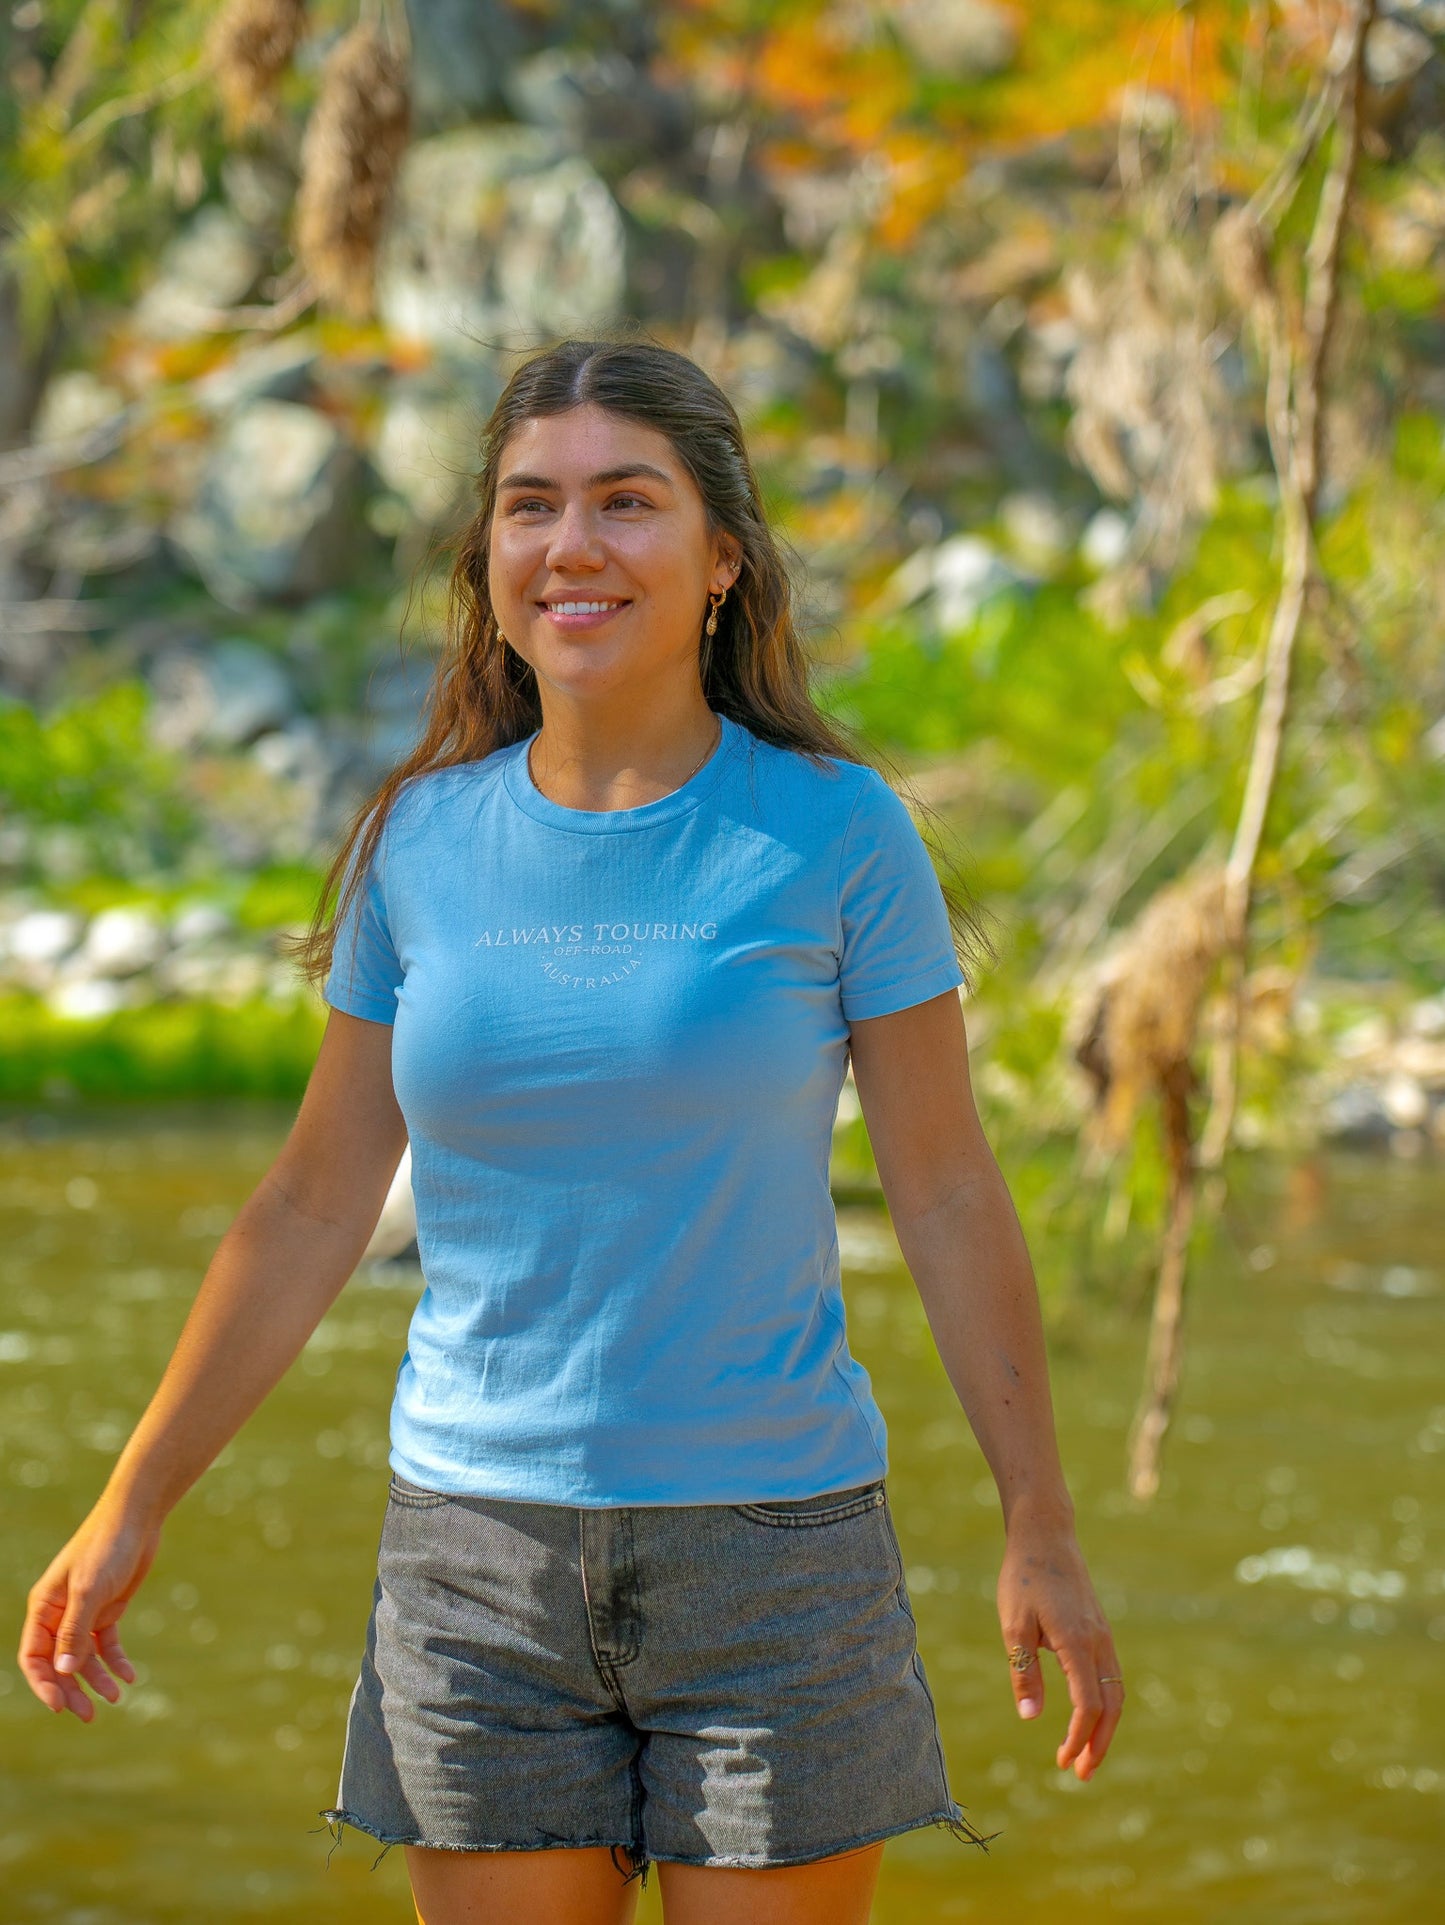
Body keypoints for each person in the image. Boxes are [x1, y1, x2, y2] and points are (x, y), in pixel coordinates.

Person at [19, 337, 1124, 1925]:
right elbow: (316, 1202)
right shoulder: (420, 837)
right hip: (474, 1565)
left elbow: (944, 1193)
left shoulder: (833, 831)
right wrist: (136, 1494)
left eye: (627, 500)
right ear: (488, 557)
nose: (573, 544)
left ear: (721, 556)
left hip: (773, 1562)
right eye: (531, 505)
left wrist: (1041, 1524)